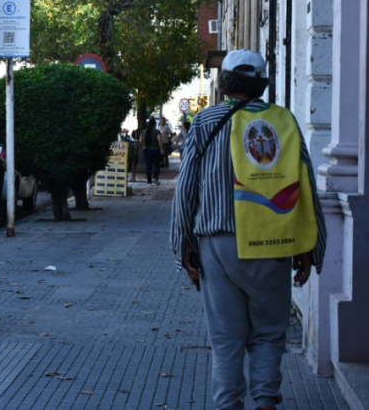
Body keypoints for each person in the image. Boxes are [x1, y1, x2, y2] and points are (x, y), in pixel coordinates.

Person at [171, 50, 327, 410]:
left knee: (226, 338)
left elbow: (187, 187)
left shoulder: (205, 120)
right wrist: (309, 246)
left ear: (224, 83)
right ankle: (266, 402)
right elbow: (305, 184)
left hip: (217, 244)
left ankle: (229, 405)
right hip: (272, 241)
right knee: (270, 334)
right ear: (262, 84)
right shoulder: (283, 121)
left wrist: (184, 244)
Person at [140, 117, 163, 185]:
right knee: (157, 165)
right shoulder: (157, 131)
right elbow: (160, 141)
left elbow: (140, 141)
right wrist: (161, 149)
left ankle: (149, 181)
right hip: (155, 150)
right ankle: (155, 178)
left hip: (146, 150)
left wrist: (144, 145)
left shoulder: (144, 131)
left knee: (148, 165)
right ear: (154, 124)